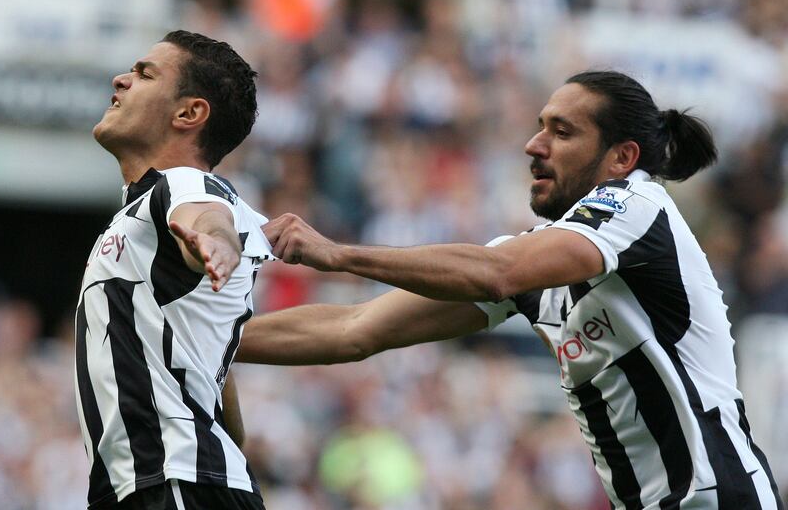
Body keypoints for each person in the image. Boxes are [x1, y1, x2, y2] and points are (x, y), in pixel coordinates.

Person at [235, 71, 785, 509]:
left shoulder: (637, 205)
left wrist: (340, 254)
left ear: (622, 159)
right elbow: (351, 331)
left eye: (562, 132)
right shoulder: (534, 264)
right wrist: (192, 337)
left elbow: (496, 272)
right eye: (540, 126)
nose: (533, 144)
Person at [75, 30, 272, 509]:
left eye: (145, 74)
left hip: (175, 482)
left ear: (189, 113)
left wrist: (215, 241)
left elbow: (204, 215)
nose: (121, 80)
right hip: (163, 483)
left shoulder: (185, 183)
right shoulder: (138, 215)